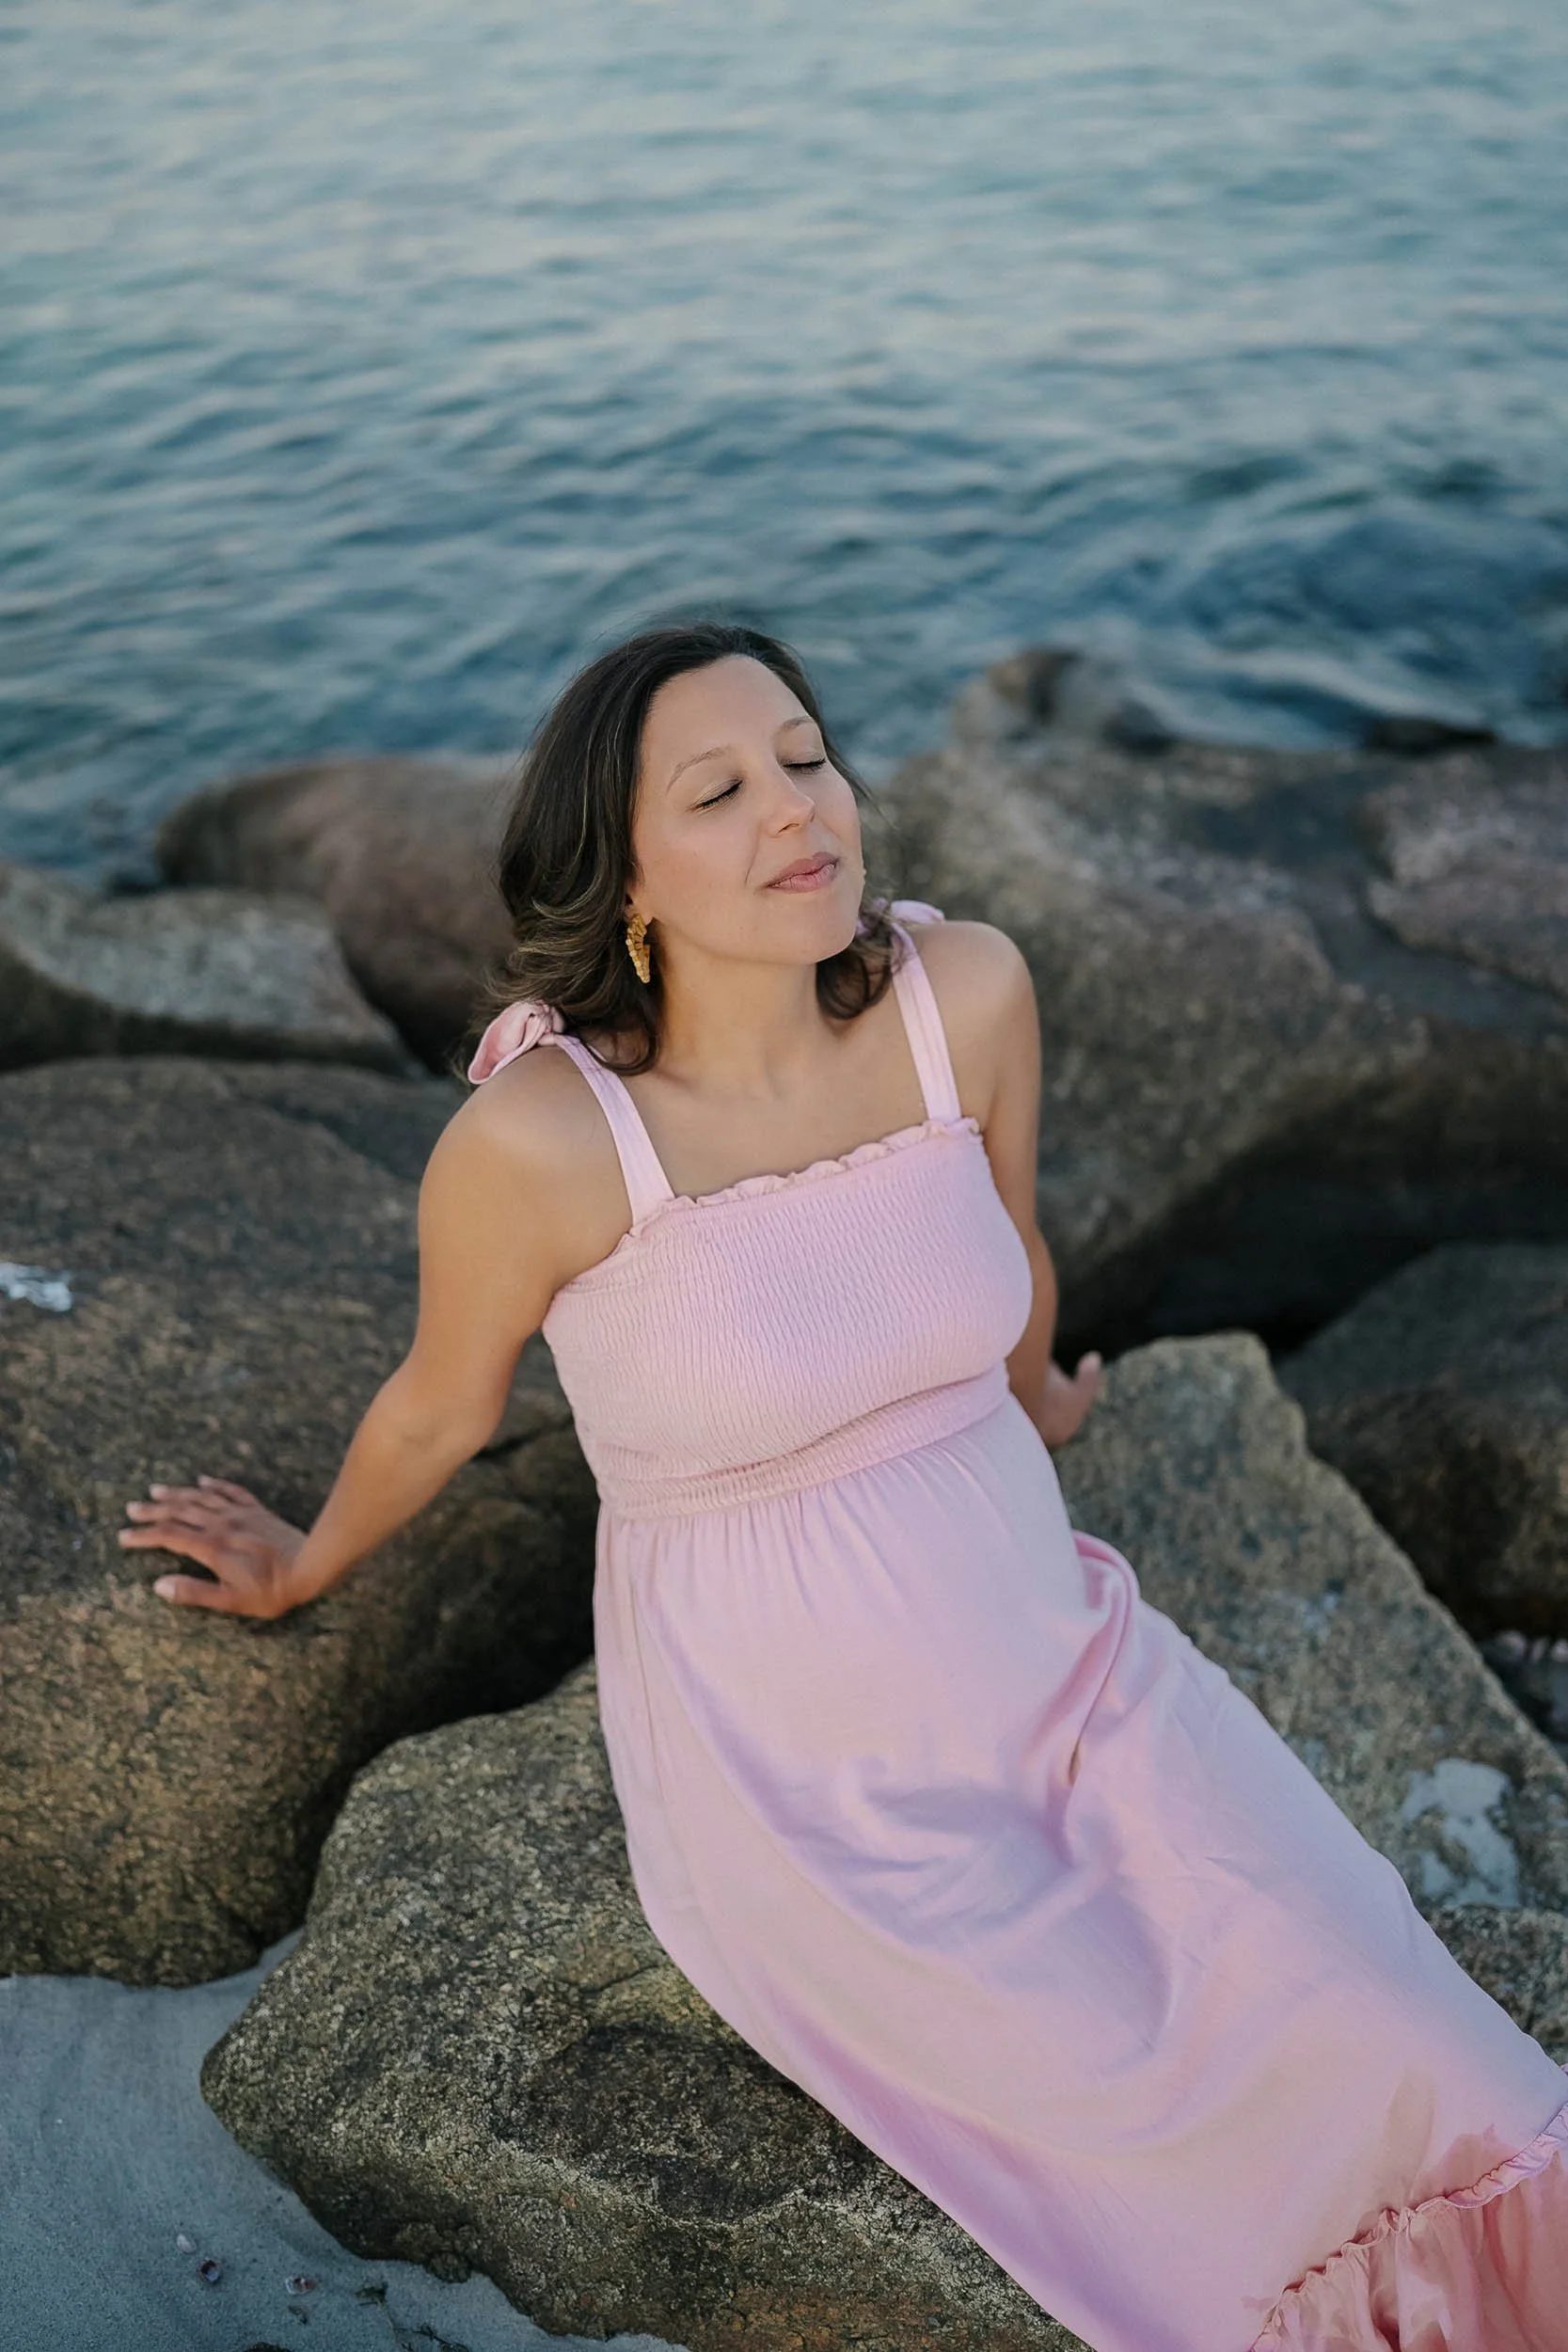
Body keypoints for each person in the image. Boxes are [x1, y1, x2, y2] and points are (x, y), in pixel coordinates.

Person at [120, 622, 1568, 2351]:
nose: (798, 811)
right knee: (1145, 2132)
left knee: (1402, 2036)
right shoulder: (546, 1143)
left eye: (806, 758)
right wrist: (300, 1568)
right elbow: (439, 1411)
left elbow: (1011, 1244)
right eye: (720, 789)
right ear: (626, 874)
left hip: (1057, 1658)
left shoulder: (967, 998)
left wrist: (1034, 1390)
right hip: (801, 1772)